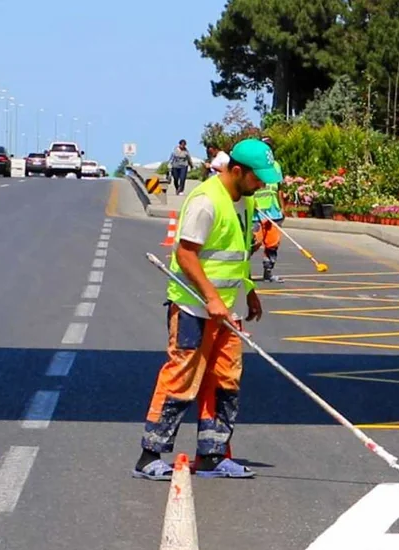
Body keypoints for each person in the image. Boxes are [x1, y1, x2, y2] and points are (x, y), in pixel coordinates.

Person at [133, 139, 281, 481]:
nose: (262, 184)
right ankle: (150, 455)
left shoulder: (243, 201)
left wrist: (250, 290)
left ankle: (212, 456)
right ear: (238, 171)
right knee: (181, 377)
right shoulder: (205, 201)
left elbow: (236, 254)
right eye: (258, 177)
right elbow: (186, 255)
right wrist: (211, 298)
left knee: (225, 380)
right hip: (193, 308)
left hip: (228, 311)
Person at [252, 137, 286, 283]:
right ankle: (242, 272)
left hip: (273, 210)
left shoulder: (276, 166)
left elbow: (279, 188)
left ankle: (268, 272)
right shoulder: (253, 165)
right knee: (253, 242)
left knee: (272, 243)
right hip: (256, 211)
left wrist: (282, 208)